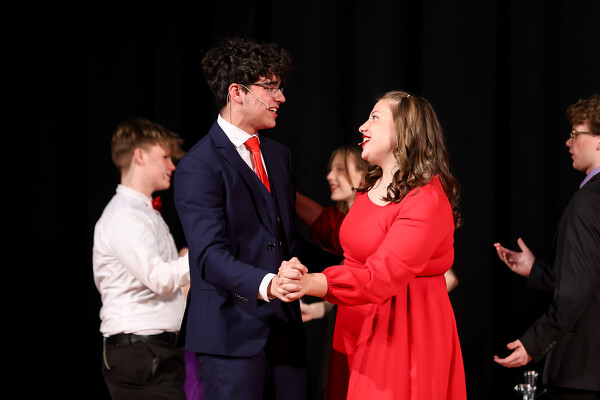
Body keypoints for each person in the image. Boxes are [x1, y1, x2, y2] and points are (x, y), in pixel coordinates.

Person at [278, 90, 467, 399]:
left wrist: (310, 282)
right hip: (357, 327)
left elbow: (381, 276)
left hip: (401, 333)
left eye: (375, 118)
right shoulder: (372, 186)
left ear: (404, 130)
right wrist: (283, 195)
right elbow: (345, 238)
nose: (362, 127)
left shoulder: (426, 200)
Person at [173, 37, 308, 400]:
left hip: (285, 331)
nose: (281, 98)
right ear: (237, 92)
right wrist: (269, 284)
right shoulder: (199, 165)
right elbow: (208, 256)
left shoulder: (279, 157)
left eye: (280, 87)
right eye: (271, 87)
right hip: (228, 335)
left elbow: (285, 239)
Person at [493, 93, 600, 399]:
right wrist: (536, 271)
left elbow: (576, 291)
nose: (568, 142)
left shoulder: (587, 203)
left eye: (575, 134)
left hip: (583, 374)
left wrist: (535, 342)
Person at [92, 118, 191, 399]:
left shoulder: (142, 212)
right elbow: (159, 278)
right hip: (141, 352)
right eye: (165, 157)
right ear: (139, 156)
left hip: (153, 351)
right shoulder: (125, 215)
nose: (172, 166)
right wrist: (205, 255)